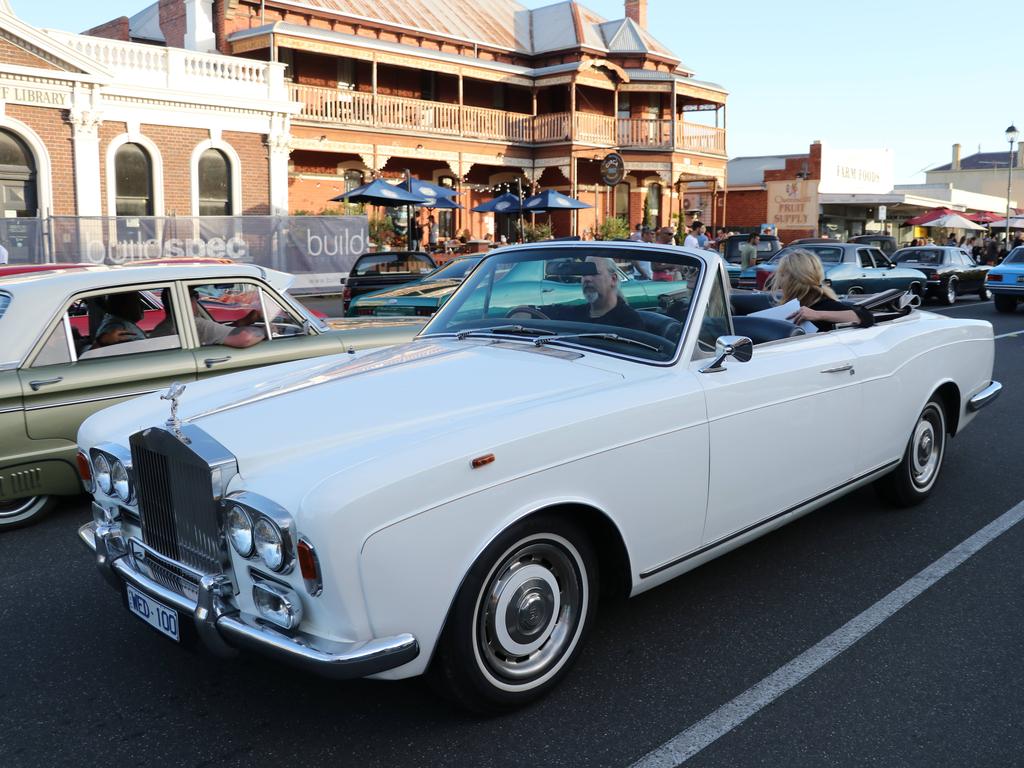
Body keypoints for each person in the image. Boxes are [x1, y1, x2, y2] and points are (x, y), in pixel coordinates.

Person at [769, 249, 874, 332]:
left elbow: (866, 317)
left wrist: (818, 314)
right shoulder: (793, 303)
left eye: (783, 275)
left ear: (796, 278)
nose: (779, 280)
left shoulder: (821, 302)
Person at [546, 256, 644, 330]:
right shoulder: (574, 314)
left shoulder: (629, 322)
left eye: (594, 273)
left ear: (613, 279)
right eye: (584, 274)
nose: (587, 279)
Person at [153, 287, 265, 348]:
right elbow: (245, 337)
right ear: (184, 301)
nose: (197, 299)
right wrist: (265, 330)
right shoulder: (192, 323)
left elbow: (215, 333)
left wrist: (242, 322)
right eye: (195, 296)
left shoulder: (162, 327)